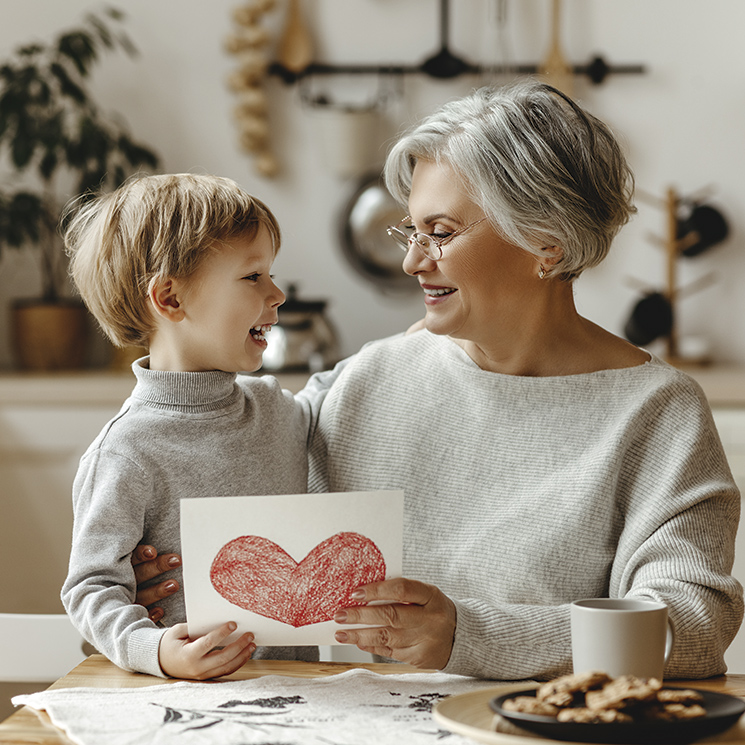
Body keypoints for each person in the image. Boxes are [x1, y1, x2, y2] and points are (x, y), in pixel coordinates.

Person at [135, 80, 743, 680]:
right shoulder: (372, 378)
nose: (411, 261)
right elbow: (239, 485)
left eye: (442, 234)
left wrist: (468, 634)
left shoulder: (656, 412)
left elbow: (692, 627)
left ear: (547, 244)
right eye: (412, 231)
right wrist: (164, 568)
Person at [61, 173, 322, 680]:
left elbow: (346, 390)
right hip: (181, 707)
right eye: (253, 277)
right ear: (171, 299)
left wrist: (420, 337)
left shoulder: (275, 409)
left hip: (299, 699)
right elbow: (90, 588)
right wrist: (156, 650)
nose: (278, 293)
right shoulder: (126, 449)